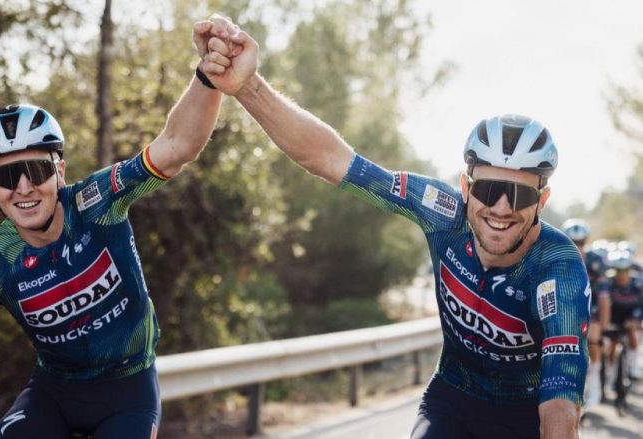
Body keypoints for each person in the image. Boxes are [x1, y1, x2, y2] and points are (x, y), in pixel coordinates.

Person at [199, 18, 589, 439]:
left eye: (520, 195)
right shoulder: (442, 212)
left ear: (542, 202)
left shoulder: (558, 266)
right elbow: (331, 159)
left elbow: (561, 402)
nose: (501, 208)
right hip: (453, 402)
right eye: (489, 189)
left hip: (524, 417)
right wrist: (248, 86)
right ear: (465, 188)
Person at [0, 16, 237, 439]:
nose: (23, 188)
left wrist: (207, 76)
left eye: (36, 171)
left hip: (129, 391)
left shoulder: (98, 202)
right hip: (54, 395)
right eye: (7, 177)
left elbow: (176, 147)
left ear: (59, 172)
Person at [561, 219, 609, 408]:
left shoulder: (596, 260)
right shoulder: (557, 255)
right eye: (573, 241)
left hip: (591, 306)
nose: (577, 246)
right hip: (565, 306)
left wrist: (604, 325)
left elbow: (604, 296)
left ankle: (594, 379)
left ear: (586, 241)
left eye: (580, 242)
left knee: (593, 342)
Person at [603, 250, 643, 382]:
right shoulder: (609, 283)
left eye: (625, 270)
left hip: (632, 314)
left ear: (630, 269)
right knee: (611, 344)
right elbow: (603, 303)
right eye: (618, 270)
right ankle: (609, 370)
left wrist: (637, 320)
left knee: (632, 332)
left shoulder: (638, 283)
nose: (622, 274)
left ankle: (633, 364)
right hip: (613, 316)